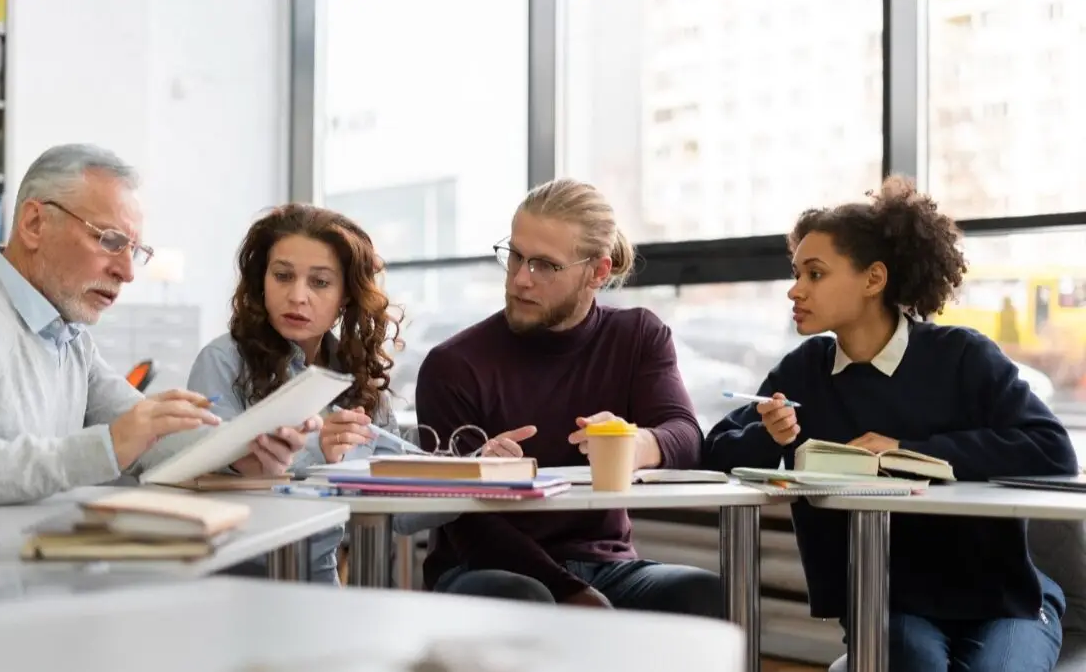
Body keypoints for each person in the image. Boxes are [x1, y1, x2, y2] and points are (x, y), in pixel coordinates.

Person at [702, 175, 1079, 672]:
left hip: (1003, 600)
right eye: (796, 273)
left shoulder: (963, 356)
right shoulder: (804, 370)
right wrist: (770, 436)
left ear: (873, 279)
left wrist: (905, 452)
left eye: (814, 274)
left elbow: (1052, 449)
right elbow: (716, 450)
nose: (795, 290)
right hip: (889, 601)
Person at [414, 178, 723, 616]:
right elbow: (469, 523)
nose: (521, 279)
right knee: (530, 601)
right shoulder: (453, 365)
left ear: (597, 271)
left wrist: (635, 445)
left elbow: (687, 438)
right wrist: (568, 592)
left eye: (544, 265)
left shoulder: (638, 336)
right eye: (516, 256)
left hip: (605, 565)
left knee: (702, 593)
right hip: (484, 566)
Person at [0, 143, 243, 511]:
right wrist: (101, 449)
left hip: (38, 559)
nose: (128, 272)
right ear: (34, 224)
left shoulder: (70, 338)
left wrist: (243, 450)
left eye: (133, 250)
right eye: (110, 240)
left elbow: (147, 434)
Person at [186, 203, 405, 584]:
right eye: (282, 276)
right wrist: (317, 450)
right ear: (262, 282)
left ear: (346, 297)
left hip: (320, 581)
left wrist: (480, 469)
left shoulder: (357, 375)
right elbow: (214, 469)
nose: (297, 296)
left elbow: (401, 503)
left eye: (319, 282)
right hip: (233, 583)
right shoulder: (222, 361)